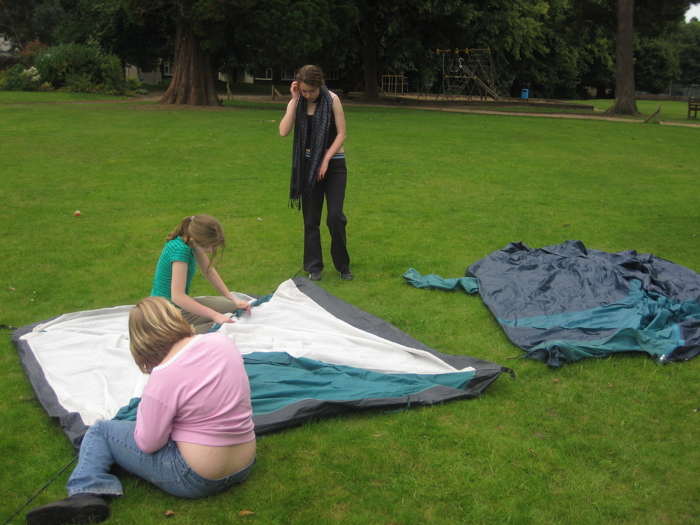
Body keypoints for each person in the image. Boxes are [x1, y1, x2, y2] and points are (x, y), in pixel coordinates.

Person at [26, 296, 257, 525]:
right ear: (174, 318)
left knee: (101, 431)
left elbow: (149, 443)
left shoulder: (163, 377)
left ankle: (85, 493)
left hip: (197, 478)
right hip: (245, 462)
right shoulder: (221, 343)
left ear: (142, 339)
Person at [279, 65, 353, 282]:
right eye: (304, 91)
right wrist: (293, 100)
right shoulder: (298, 101)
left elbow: (341, 134)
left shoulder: (332, 100)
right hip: (308, 166)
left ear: (320, 86)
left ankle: (343, 265)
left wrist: (326, 159)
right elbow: (283, 131)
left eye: (311, 91)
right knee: (311, 219)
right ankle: (314, 267)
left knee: (335, 217)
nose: (308, 95)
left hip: (334, 165)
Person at [150, 214, 251, 334]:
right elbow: (177, 297)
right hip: (165, 314)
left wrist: (231, 298)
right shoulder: (180, 251)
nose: (210, 252)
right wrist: (214, 315)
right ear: (194, 241)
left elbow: (208, 271)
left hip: (178, 308)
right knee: (218, 326)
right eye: (207, 250)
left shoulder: (190, 242)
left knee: (231, 306)